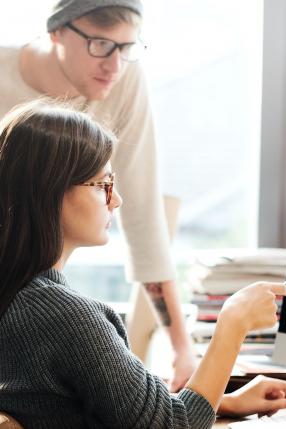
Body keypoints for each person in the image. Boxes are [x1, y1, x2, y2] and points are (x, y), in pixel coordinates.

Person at [0, 100, 286, 428]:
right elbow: (174, 425)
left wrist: (221, 402)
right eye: (103, 185)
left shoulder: (19, 297)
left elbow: (84, 407)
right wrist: (233, 324)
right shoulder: (66, 319)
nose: (116, 200)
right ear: (50, 192)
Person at [0, 0, 196, 391]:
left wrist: (181, 350)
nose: (114, 65)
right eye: (101, 45)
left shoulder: (124, 78)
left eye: (127, 48)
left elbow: (142, 215)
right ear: (56, 31)